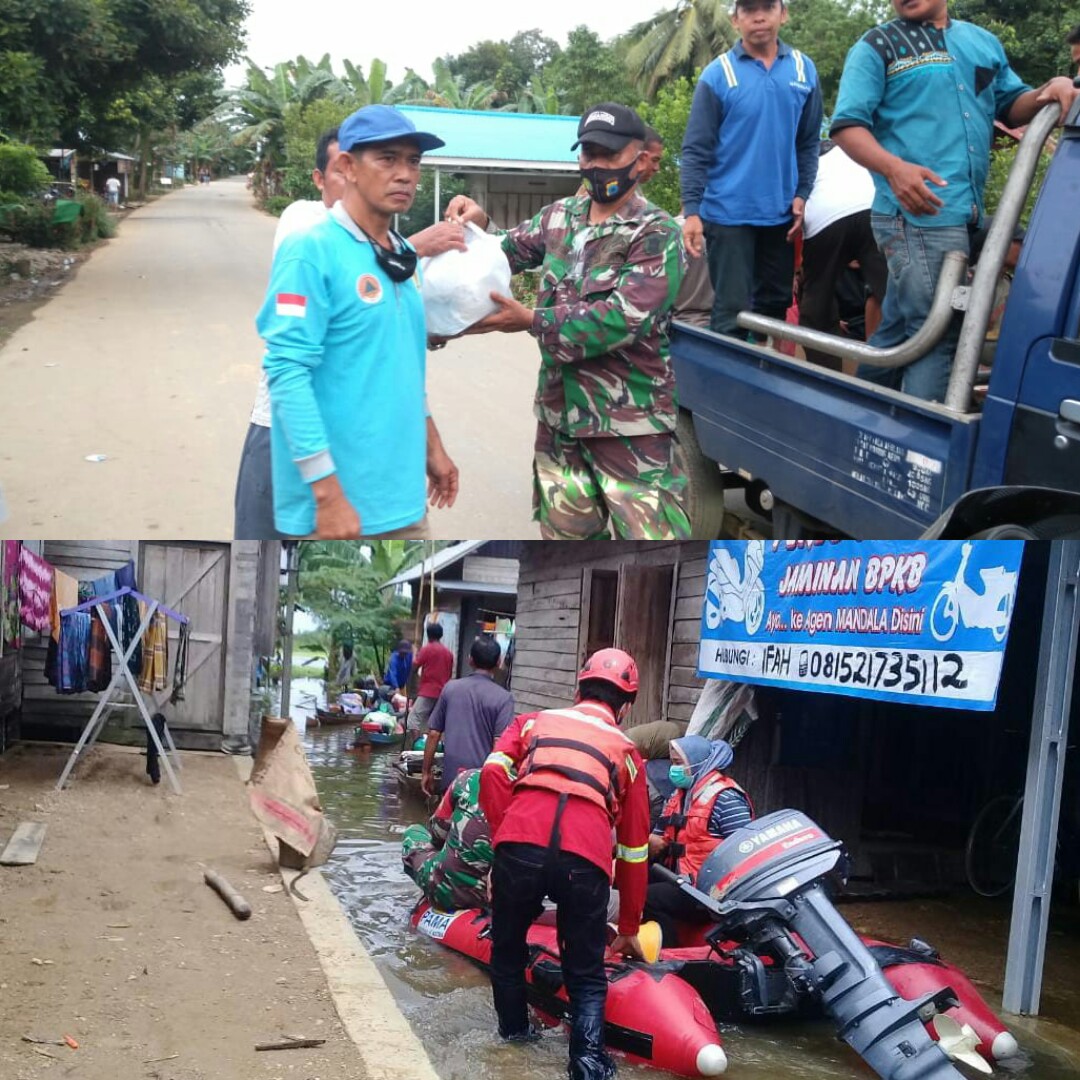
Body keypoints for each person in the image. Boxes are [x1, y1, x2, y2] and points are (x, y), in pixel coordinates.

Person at [447, 102, 690, 541]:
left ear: (638, 157)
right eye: (589, 153)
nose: (596, 165)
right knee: (567, 544)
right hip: (560, 424)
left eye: (609, 154)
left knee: (652, 549)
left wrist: (531, 320)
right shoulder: (559, 218)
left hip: (629, 430)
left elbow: (624, 317)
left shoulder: (654, 232)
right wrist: (478, 226)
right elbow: (502, 253)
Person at [831, 0, 1079, 402]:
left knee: (899, 329)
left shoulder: (981, 42)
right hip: (917, 216)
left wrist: (1048, 91)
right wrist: (895, 169)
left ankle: (859, 416)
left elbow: (1011, 105)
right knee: (937, 334)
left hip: (963, 213)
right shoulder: (877, 45)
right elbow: (846, 125)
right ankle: (922, 451)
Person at [255, 106, 462, 539]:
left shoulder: (401, 253)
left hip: (403, 501)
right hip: (338, 508)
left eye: (413, 161)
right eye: (387, 159)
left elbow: (401, 366)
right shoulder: (310, 251)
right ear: (346, 167)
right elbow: (287, 373)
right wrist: (327, 495)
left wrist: (434, 448)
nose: (405, 174)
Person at [479, 648, 651, 1080]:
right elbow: (634, 849)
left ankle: (514, 1045)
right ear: (626, 706)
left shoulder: (532, 722)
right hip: (586, 857)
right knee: (587, 974)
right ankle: (588, 1063)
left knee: (507, 951)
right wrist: (628, 927)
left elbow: (491, 774)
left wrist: (505, 843)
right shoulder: (629, 755)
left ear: (578, 689)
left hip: (520, 843)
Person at [680, 0, 823, 338]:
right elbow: (696, 149)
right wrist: (692, 211)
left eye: (767, 7)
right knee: (731, 309)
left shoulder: (804, 70)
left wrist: (803, 193)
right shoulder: (718, 74)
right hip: (727, 215)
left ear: (783, 14)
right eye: (748, 10)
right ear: (735, 20)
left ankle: (762, 379)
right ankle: (722, 389)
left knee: (775, 306)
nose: (758, 16)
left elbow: (808, 142)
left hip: (780, 214)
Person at [644, 736, 753, 947]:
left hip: (706, 892)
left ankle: (667, 953)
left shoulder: (726, 798)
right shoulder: (679, 795)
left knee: (647, 898)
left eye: (678, 763)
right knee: (629, 877)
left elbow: (744, 848)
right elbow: (660, 836)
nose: (672, 769)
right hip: (678, 877)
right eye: (672, 762)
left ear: (697, 763)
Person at [798, 141, 888, 370]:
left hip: (823, 220)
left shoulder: (803, 159)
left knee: (817, 306)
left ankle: (826, 375)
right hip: (873, 208)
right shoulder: (849, 151)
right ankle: (897, 367)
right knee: (892, 293)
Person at [422, 634, 513, 797]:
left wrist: (425, 772)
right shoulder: (504, 698)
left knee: (446, 820)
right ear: (498, 662)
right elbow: (499, 745)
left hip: (450, 781)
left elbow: (434, 734)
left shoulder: (450, 689)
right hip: (479, 785)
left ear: (470, 660)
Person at [402, 768, 493, 911]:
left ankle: (426, 898)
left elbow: (437, 834)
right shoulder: (531, 798)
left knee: (413, 833)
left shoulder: (468, 778)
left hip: (451, 890)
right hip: (505, 893)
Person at [409, 621, 454, 745]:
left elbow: (414, 666)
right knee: (435, 722)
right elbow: (449, 674)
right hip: (443, 692)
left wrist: (413, 653)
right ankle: (435, 747)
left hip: (428, 691)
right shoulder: (448, 653)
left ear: (428, 635)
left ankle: (416, 746)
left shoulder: (427, 649)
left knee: (413, 719)